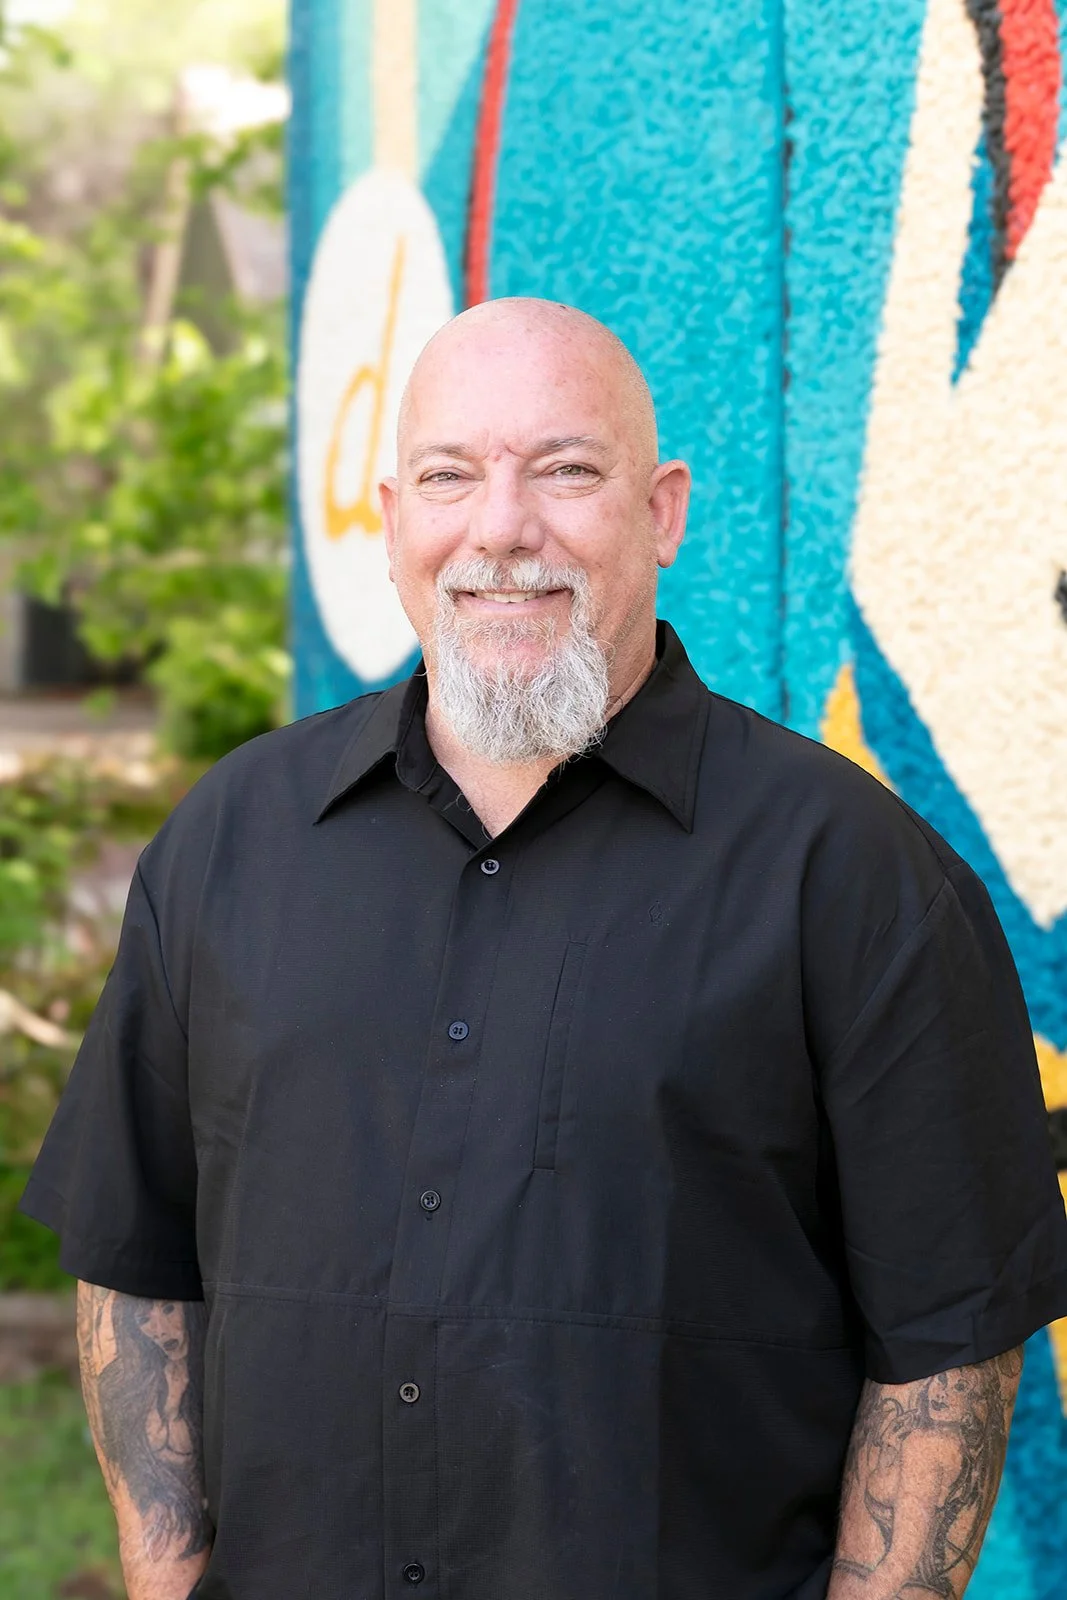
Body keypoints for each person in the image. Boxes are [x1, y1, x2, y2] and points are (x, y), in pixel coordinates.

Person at [20, 298, 1067, 1600]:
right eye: (449, 477)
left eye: (565, 471)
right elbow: (136, 1264)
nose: (501, 528)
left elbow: (947, 1358)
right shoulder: (232, 839)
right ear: (392, 519)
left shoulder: (854, 875)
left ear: (661, 513)